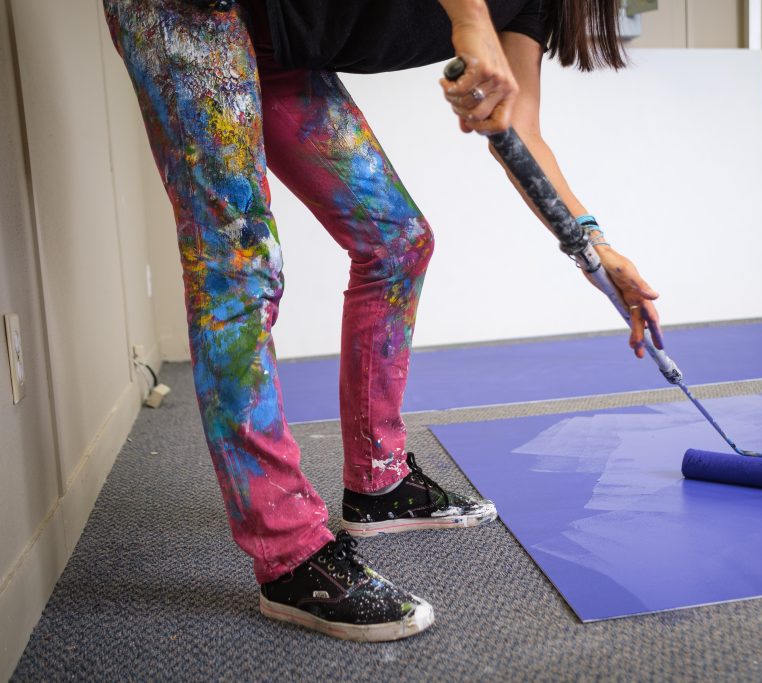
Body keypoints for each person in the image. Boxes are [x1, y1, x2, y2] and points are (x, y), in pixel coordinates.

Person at [102, 0, 664, 642]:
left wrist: (594, 249)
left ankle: (379, 482)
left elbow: (522, 130)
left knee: (398, 241)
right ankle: (289, 555)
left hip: (278, 39)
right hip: (190, 13)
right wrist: (469, 21)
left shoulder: (536, 7)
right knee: (238, 261)